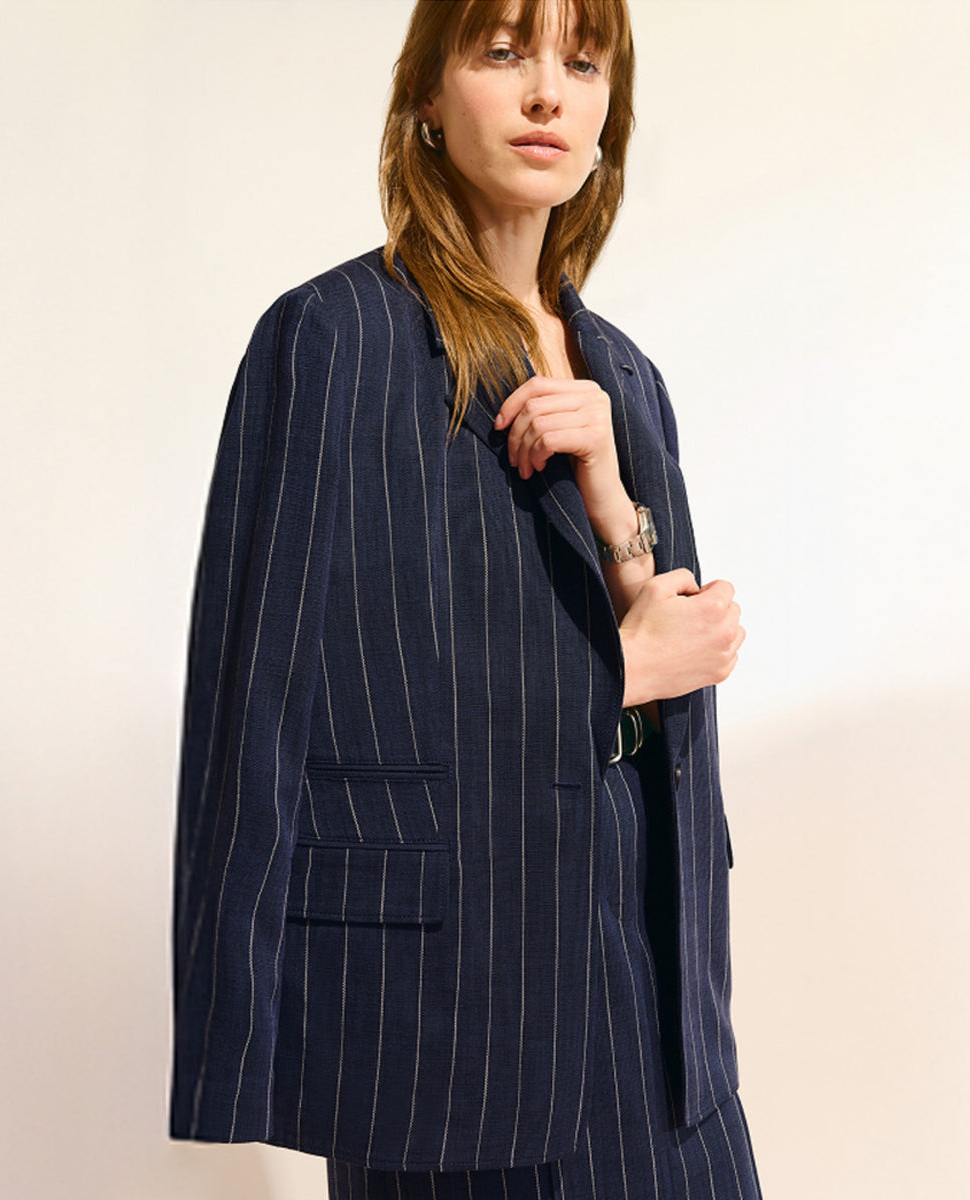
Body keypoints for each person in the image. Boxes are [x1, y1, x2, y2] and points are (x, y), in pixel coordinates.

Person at [169, 1, 762, 1197]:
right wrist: (234, 1041)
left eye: (583, 63)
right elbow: (270, 701)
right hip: (445, 1024)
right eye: (504, 52)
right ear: (428, 98)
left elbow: (673, 651)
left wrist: (617, 511)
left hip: (656, 1002)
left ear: (608, 119)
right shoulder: (329, 340)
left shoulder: (626, 375)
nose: (548, 92)